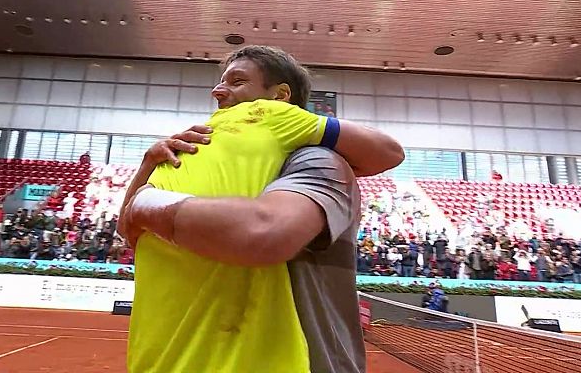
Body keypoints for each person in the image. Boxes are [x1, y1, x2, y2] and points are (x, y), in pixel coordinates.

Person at [118, 45, 404, 372]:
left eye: (238, 81)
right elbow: (127, 230)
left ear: (279, 96)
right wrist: (148, 164)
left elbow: (388, 152)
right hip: (168, 353)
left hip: (266, 354)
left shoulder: (302, 144)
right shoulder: (194, 143)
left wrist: (148, 203)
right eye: (222, 81)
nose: (218, 91)